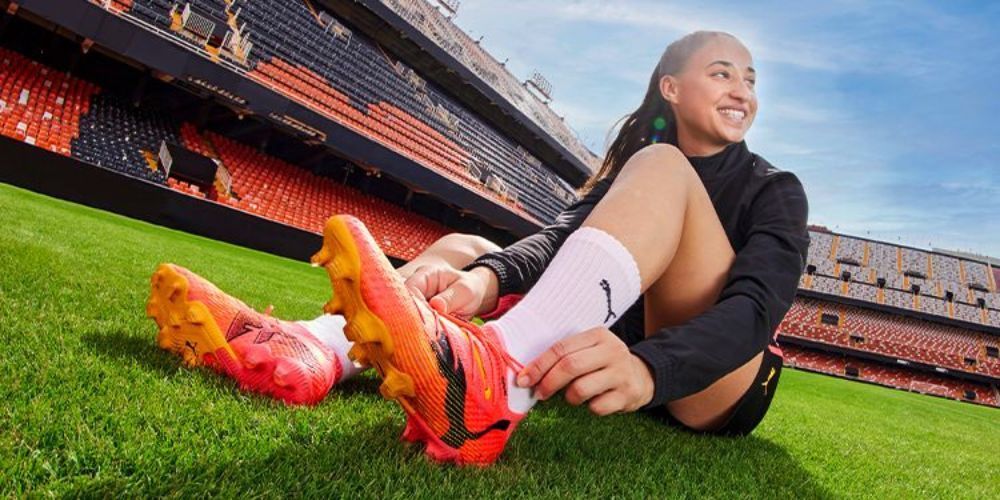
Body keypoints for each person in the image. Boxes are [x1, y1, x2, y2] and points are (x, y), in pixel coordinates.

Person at [150, 30, 809, 465]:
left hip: (718, 382)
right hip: (615, 344)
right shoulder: (627, 173)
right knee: (466, 247)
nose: (742, 92)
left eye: (749, 80)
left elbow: (758, 307)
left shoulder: (771, 187)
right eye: (723, 74)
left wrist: (654, 368)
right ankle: (314, 350)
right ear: (671, 88)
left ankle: (493, 384)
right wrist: (485, 281)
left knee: (666, 170)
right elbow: (556, 243)